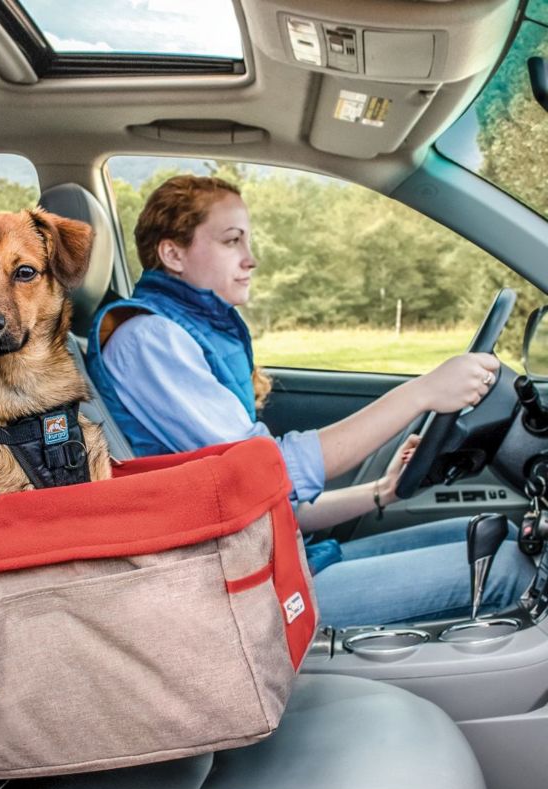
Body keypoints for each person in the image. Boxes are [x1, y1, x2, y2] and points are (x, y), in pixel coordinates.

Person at [87, 174, 534, 628]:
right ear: (173, 253)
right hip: (238, 593)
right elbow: (267, 472)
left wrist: (382, 491)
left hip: (265, 559)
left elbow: (268, 502)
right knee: (509, 569)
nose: (250, 259)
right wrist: (422, 393)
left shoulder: (183, 331)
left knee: (494, 535)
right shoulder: (148, 339)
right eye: (231, 241)